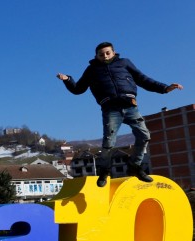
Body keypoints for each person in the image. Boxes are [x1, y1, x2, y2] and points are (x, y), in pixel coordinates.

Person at [57, 42, 183, 187]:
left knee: (144, 136)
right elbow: (78, 89)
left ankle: (135, 166)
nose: (104, 56)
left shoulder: (124, 63)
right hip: (110, 109)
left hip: (130, 106)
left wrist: (165, 88)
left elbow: (143, 79)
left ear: (113, 52)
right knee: (109, 143)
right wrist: (68, 80)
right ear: (96, 56)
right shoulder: (92, 70)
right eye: (101, 54)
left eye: (107, 53)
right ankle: (104, 171)